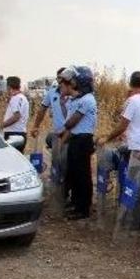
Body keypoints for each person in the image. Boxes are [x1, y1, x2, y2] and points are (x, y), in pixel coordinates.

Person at [97, 71, 140, 227]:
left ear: (131, 83)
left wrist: (106, 138)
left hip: (135, 148)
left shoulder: (132, 101)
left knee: (134, 184)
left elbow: (123, 125)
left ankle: (136, 220)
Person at [57, 66, 97, 220]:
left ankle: (83, 209)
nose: (63, 85)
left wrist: (62, 130)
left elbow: (71, 122)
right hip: (75, 139)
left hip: (83, 140)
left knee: (83, 175)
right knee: (73, 174)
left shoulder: (87, 100)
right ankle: (76, 203)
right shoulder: (76, 99)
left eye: (67, 82)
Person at [30, 67, 69, 147]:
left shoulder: (74, 93)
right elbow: (43, 109)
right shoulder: (52, 92)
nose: (60, 81)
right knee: (57, 159)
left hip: (72, 134)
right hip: (58, 133)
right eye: (58, 78)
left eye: (62, 78)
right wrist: (36, 126)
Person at [2, 76, 29, 152]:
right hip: (19, 133)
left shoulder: (16, 98)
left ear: (9, 86)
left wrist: (1, 125)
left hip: (13, 134)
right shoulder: (22, 98)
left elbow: (16, 116)